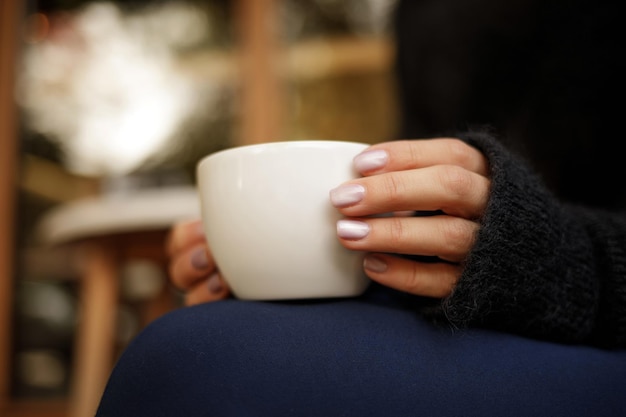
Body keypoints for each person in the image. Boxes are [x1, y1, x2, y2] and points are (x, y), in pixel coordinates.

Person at [95, 0, 626, 416]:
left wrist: (573, 260)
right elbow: (420, 162)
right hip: (468, 313)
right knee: (194, 351)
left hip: (603, 328)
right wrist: (262, 240)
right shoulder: (420, 11)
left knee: (191, 363)